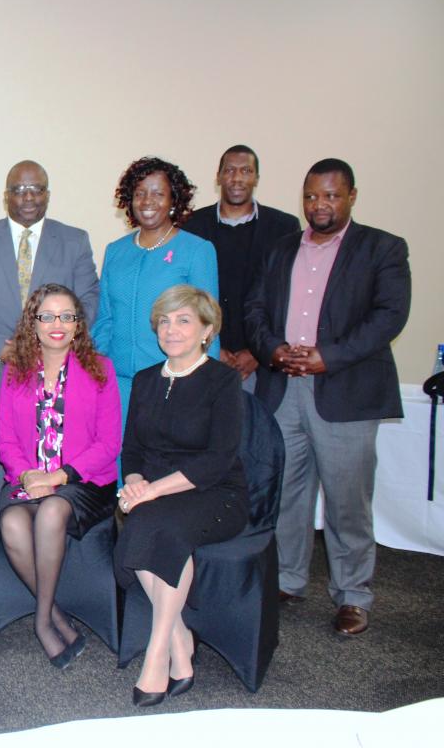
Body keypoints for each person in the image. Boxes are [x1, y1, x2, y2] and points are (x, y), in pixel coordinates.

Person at [244, 158, 410, 636]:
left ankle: (353, 594)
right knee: (287, 495)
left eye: (331, 195)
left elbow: (389, 317)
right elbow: (255, 308)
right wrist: (273, 349)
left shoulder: (382, 248)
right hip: (283, 388)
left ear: (351, 196)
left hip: (345, 391)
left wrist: (327, 357)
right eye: (312, 196)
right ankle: (289, 580)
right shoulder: (280, 249)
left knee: (346, 501)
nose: (320, 205)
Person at [0, 160, 100, 548]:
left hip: (58, 378)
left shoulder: (75, 240)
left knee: (52, 469)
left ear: (48, 194)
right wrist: (3, 348)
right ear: (6, 196)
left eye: (36, 189)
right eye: (18, 190)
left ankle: (51, 557)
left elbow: (86, 303)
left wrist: (50, 346)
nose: (28, 197)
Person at [114, 285, 248, 706]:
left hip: (215, 492)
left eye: (184, 320)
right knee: (145, 520)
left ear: (207, 330)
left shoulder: (223, 380)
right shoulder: (145, 379)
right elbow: (131, 448)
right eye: (165, 321)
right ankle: (180, 640)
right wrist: (135, 481)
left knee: (155, 525)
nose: (171, 330)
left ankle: (157, 654)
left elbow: (219, 459)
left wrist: (149, 491)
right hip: (154, 493)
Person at [0, 284, 120, 668]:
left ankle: (42, 622)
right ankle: (58, 614)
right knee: (13, 523)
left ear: (78, 325)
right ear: (32, 324)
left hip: (84, 482)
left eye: (67, 316)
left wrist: (59, 477)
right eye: (47, 316)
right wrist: (27, 474)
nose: (57, 324)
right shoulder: (16, 371)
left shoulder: (101, 369)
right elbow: (5, 438)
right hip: (27, 477)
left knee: (50, 512)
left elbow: (109, 442)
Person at [92, 156, 219, 423]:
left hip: (173, 383)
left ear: (173, 200)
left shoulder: (196, 250)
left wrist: (205, 385)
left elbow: (210, 327)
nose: (147, 201)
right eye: (140, 193)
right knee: (118, 462)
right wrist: (96, 371)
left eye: (158, 193)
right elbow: (105, 319)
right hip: (119, 386)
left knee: (163, 462)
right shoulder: (116, 251)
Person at [183, 146, 299, 390]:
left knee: (260, 427)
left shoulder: (283, 227)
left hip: (263, 362)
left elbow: (287, 298)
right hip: (206, 355)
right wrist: (212, 346)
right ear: (218, 176)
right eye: (230, 170)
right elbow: (186, 293)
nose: (237, 178)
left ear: (256, 178)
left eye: (246, 171)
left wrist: (259, 351)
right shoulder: (191, 225)